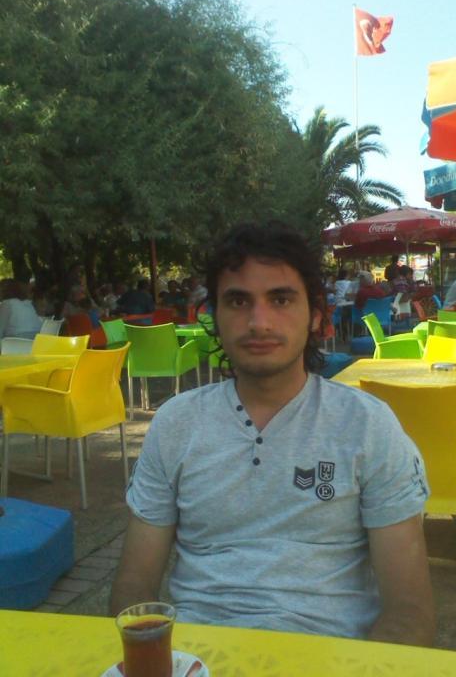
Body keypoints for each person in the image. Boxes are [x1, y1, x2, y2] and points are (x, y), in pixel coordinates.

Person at [111, 222, 435, 646]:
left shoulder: (367, 426)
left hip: (331, 655)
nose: (259, 322)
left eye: (281, 299)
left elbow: (409, 613)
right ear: (214, 317)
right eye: (238, 301)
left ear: (315, 315)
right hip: (199, 654)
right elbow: (134, 588)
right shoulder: (176, 424)